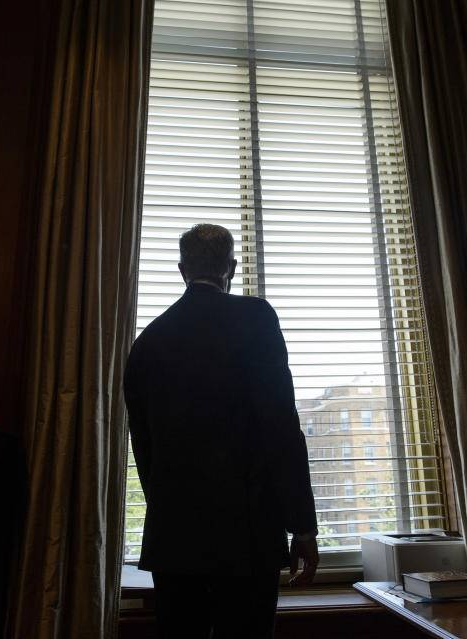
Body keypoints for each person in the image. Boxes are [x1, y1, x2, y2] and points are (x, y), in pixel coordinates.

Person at [123, 223, 319, 639]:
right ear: (231, 267)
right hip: (247, 535)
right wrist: (302, 525)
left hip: (174, 537)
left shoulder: (147, 343)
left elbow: (145, 452)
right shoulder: (256, 318)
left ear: (181, 269)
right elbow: (281, 425)